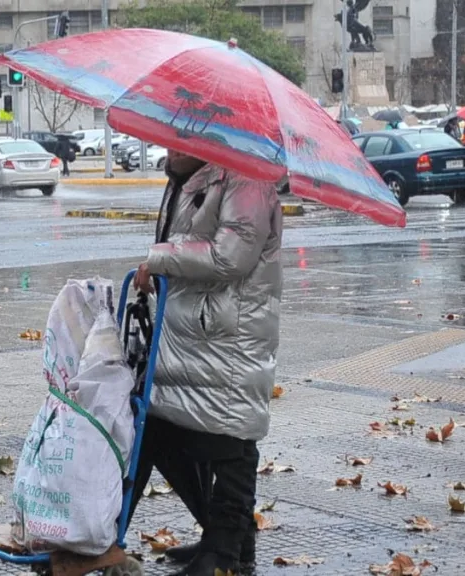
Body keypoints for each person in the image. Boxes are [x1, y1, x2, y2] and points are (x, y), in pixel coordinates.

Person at [130, 150, 282, 575]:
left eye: (180, 133)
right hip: (193, 334)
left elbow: (230, 257)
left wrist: (158, 258)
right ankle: (226, 536)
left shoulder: (247, 178)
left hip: (230, 334)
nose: (169, 143)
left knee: (231, 439)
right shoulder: (192, 174)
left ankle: (226, 554)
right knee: (163, 429)